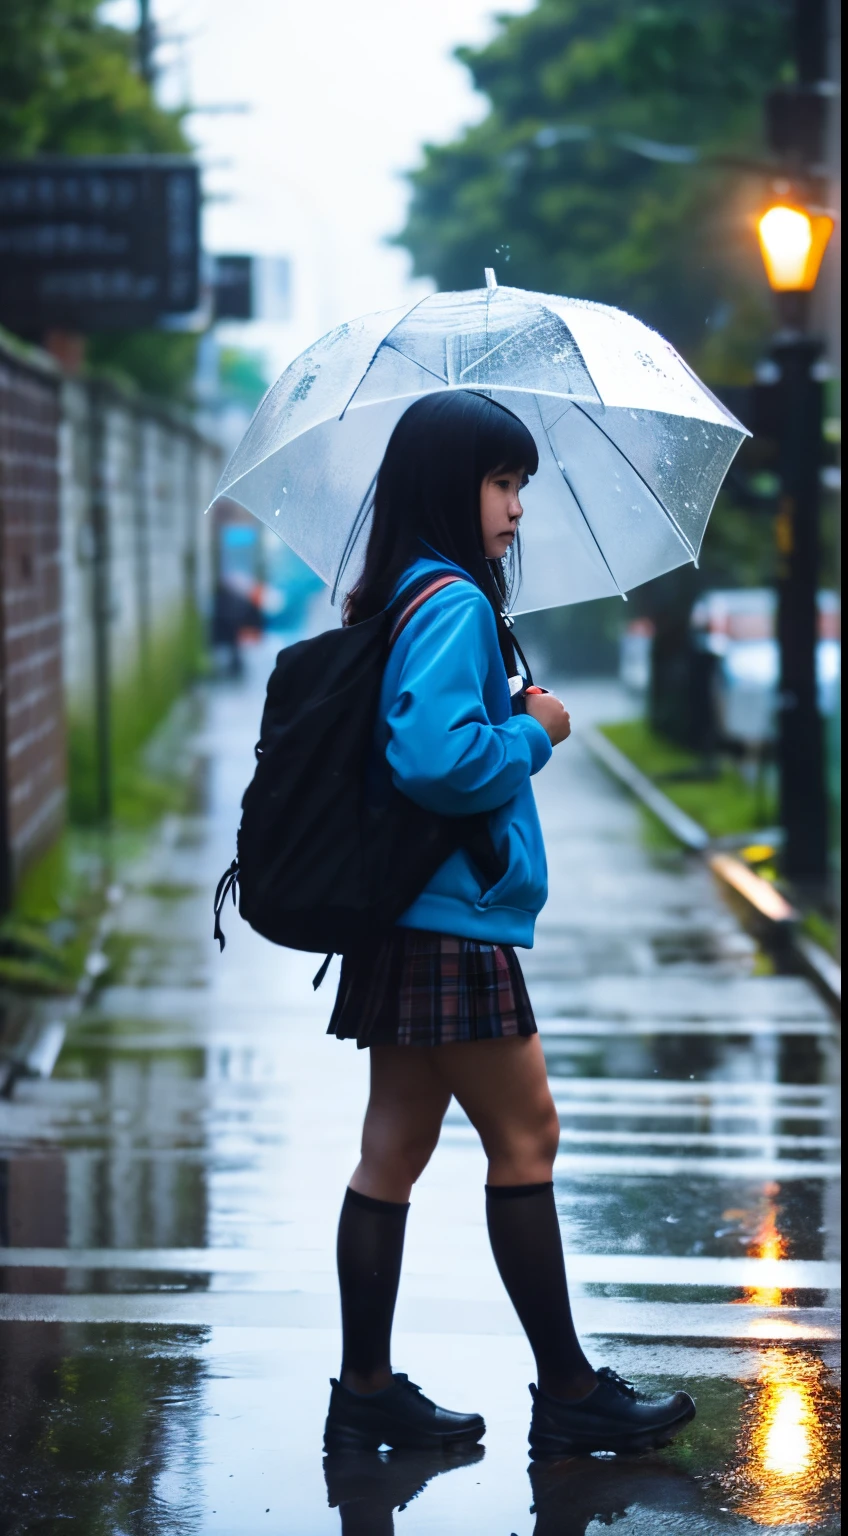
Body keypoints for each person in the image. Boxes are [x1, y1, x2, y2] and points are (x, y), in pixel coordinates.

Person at [323, 391, 695, 1458]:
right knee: (525, 1135)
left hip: (406, 912)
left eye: (520, 483)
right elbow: (435, 760)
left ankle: (364, 1389)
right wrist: (530, 733)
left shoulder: (400, 593)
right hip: (452, 917)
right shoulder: (451, 605)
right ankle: (569, 1392)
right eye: (500, 482)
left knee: (390, 1148)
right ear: (450, 485)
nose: (516, 508)